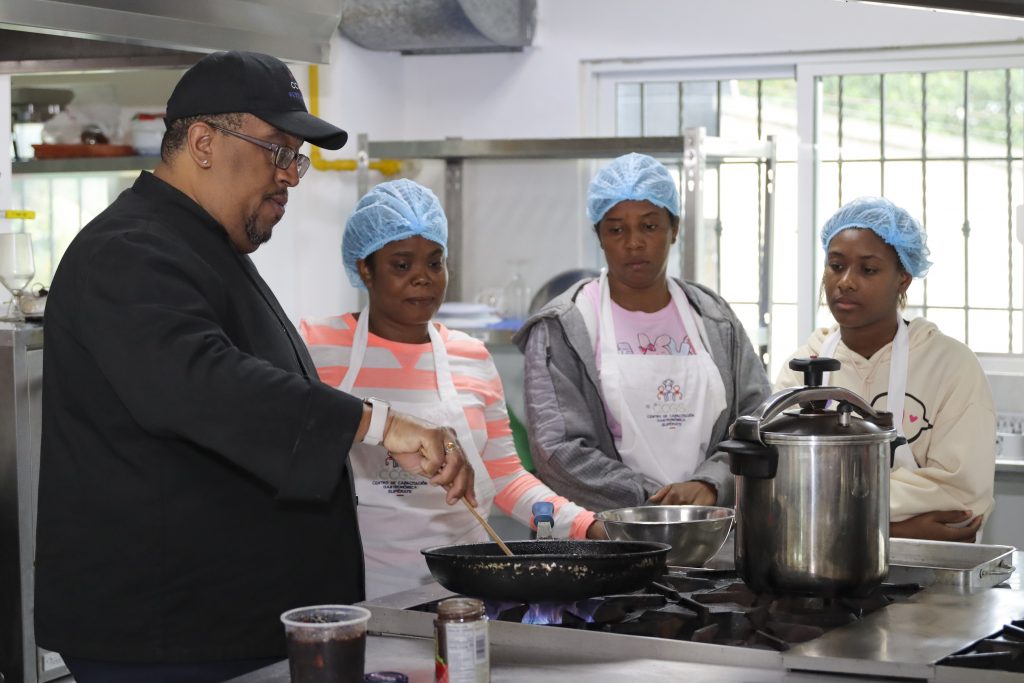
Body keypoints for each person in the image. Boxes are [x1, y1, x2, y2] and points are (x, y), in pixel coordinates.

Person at [35, 51, 474, 683]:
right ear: (203, 143)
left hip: (222, 628)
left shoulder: (202, 248)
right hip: (164, 640)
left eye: (296, 156)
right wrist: (380, 424)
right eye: (277, 150)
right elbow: (203, 384)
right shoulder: (128, 250)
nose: (290, 176)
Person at [301, 179, 607, 599]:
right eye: (402, 265)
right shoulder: (315, 347)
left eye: (434, 262)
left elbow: (503, 477)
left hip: (456, 588)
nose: (423, 279)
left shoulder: (470, 356)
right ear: (365, 269)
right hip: (350, 590)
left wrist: (587, 525)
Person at [513, 153, 771, 512]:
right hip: (607, 539)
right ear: (599, 236)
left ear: (674, 229)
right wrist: (653, 500)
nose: (634, 243)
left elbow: (758, 419)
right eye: (616, 229)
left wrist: (710, 483)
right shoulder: (565, 326)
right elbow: (557, 451)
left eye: (650, 226)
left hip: (710, 531)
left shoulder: (714, 320)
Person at [775, 196, 995, 543]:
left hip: (931, 581)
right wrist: (892, 529)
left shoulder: (950, 366)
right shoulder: (804, 368)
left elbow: (962, 501)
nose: (845, 282)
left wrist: (830, 512)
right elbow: (782, 492)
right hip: (819, 572)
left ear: (903, 279)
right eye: (836, 265)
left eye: (868, 269)